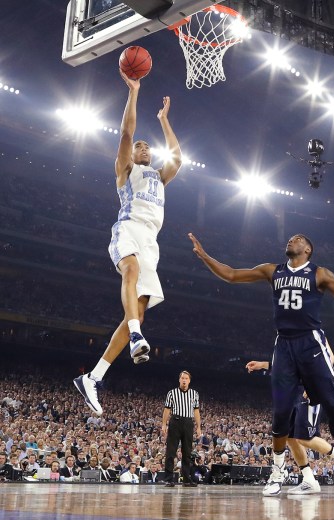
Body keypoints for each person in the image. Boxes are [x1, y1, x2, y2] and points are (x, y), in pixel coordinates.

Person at [188, 232, 334, 498]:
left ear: (307, 249)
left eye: (297, 239)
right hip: (284, 345)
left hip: (311, 344)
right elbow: (233, 275)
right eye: (290, 238)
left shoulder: (320, 274)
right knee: (281, 414)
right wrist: (205, 256)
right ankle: (277, 471)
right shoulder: (273, 270)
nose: (291, 240)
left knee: (333, 406)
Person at [73, 69, 183, 415]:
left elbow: (177, 157)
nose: (143, 148)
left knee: (139, 310)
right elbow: (125, 132)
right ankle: (135, 337)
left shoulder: (159, 177)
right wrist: (134, 92)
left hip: (152, 241)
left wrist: (164, 120)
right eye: (140, 147)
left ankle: (93, 377)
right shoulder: (125, 170)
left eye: (147, 147)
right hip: (128, 228)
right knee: (130, 271)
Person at [245, 359, 334, 496]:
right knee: (290, 438)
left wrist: (314, 385)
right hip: (291, 394)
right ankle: (309, 480)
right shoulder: (288, 343)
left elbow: (328, 360)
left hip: (307, 393)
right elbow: (286, 365)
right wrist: (263, 365)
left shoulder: (313, 339)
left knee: (305, 438)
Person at [162, 371, 201, 488]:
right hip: (175, 421)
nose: (184, 380)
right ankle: (169, 479)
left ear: (189, 380)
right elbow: (167, 409)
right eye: (182, 378)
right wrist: (164, 424)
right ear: (179, 380)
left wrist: (199, 427)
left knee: (187, 452)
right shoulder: (172, 393)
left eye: (186, 378)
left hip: (188, 422)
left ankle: (186, 479)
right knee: (171, 451)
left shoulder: (194, 393)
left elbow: (196, 411)